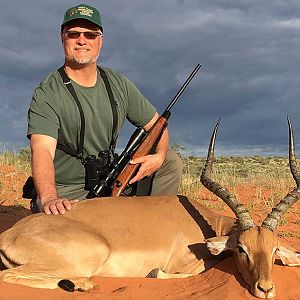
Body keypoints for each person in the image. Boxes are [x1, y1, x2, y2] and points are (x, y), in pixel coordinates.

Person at [27, 3, 183, 215]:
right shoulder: (48, 92)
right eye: (74, 34)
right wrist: (49, 197)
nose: (82, 40)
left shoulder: (116, 82)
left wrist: (160, 155)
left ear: (100, 40)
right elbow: (42, 149)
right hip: (68, 190)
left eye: (90, 35)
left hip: (110, 179)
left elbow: (157, 125)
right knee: (63, 226)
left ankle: (153, 227)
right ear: (62, 37)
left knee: (170, 161)